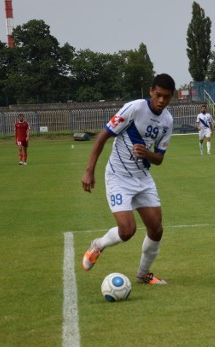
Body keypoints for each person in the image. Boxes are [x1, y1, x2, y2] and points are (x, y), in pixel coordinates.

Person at [81, 73, 176, 285]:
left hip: (142, 178)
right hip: (118, 177)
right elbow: (103, 136)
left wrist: (147, 154)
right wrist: (89, 170)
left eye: (166, 97)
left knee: (156, 229)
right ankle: (98, 244)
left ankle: (143, 275)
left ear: (172, 97)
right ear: (151, 91)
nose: (161, 100)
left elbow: (159, 158)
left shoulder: (168, 120)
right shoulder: (134, 108)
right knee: (127, 230)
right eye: (158, 95)